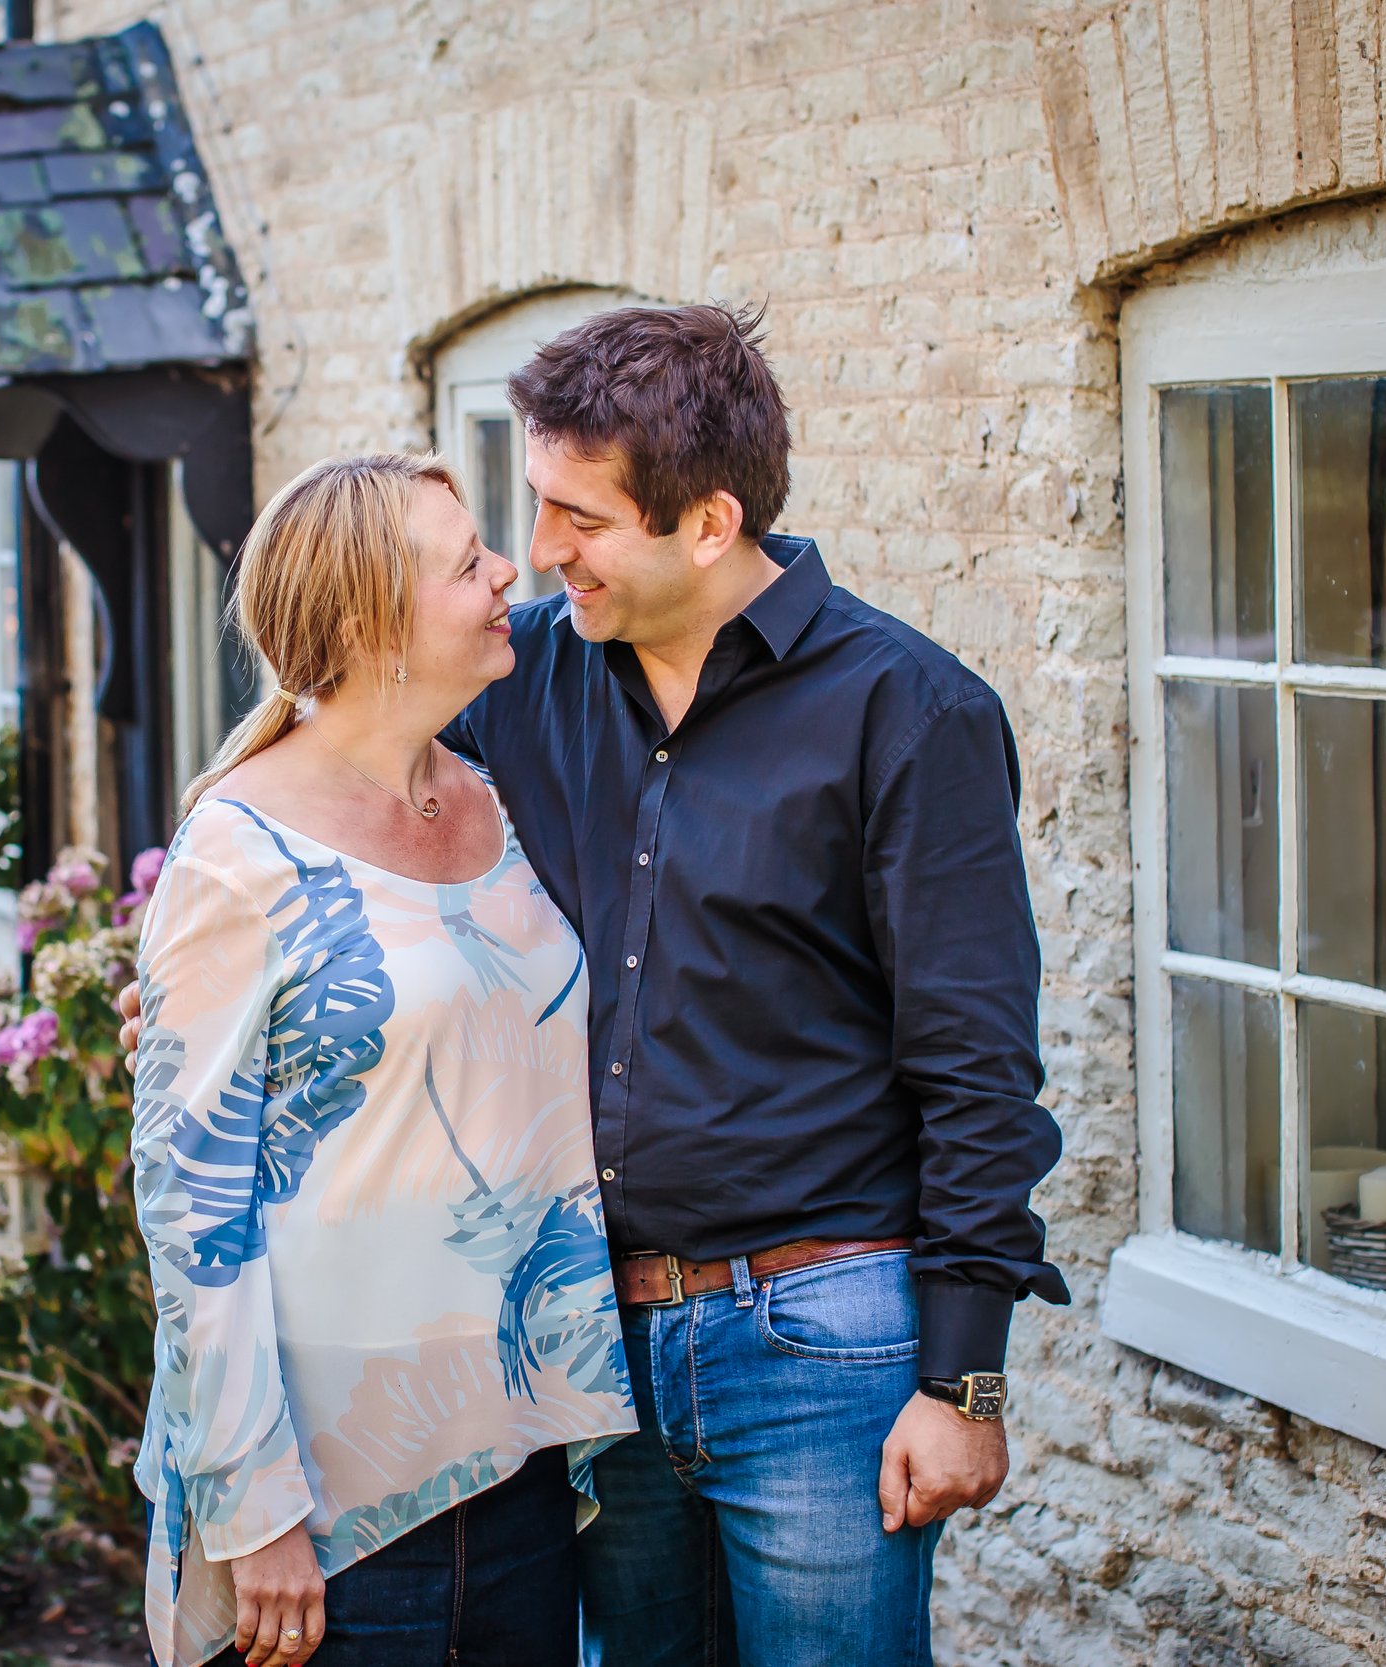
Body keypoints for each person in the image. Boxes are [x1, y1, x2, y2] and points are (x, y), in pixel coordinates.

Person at [128, 304, 1068, 1667]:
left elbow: (977, 1063)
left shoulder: (907, 714)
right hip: (592, 1363)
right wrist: (196, 1000)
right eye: (526, 511)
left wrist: (963, 1374)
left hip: (812, 1333)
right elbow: (342, 814)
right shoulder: (527, 691)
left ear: (706, 522)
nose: (537, 554)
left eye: (578, 514)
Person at [129, 452, 637, 1667]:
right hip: (335, 1506)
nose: (507, 568)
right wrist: (257, 1514)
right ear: (369, 623)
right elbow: (190, 1201)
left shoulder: (492, 797)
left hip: (520, 1457)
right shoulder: (236, 850)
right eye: (466, 563)